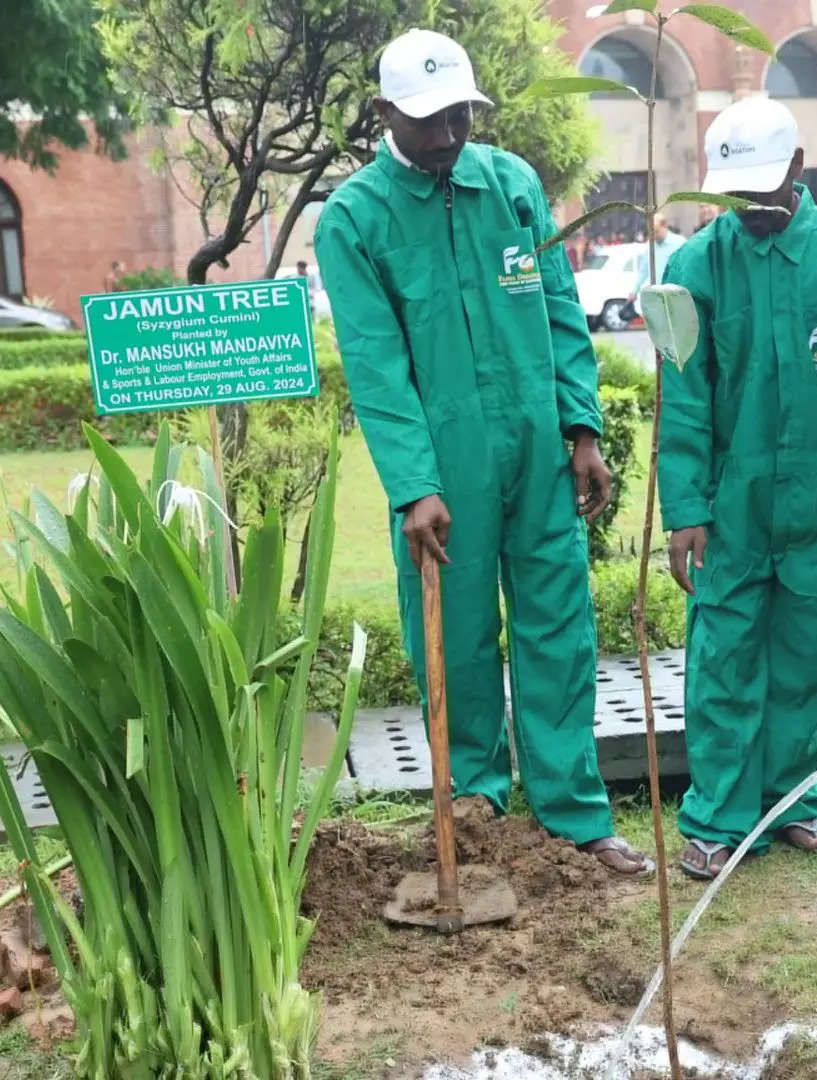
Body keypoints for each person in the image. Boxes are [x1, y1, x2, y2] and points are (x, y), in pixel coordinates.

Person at [314, 28, 652, 877]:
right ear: (385, 113)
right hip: (443, 458)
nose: (448, 134)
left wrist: (581, 427)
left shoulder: (511, 185)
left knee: (558, 625)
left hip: (537, 444)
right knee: (459, 634)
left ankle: (574, 813)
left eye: (461, 113)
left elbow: (561, 309)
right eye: (427, 119)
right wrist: (414, 484)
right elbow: (375, 361)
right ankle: (474, 800)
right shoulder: (356, 217)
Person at [659, 96, 817, 880]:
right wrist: (685, 509)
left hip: (811, 499)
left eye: (765, 189)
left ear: (799, 170)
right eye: (736, 195)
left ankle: (791, 802)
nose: (752, 209)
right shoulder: (691, 268)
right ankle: (720, 815)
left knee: (803, 653)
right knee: (724, 654)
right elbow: (683, 398)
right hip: (728, 508)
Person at [634, 212, 687, 300]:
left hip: (675, 296)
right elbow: (643, 271)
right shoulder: (649, 245)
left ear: (665, 226)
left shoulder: (680, 243)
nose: (653, 235)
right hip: (655, 297)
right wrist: (634, 290)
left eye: (656, 231)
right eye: (650, 232)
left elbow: (686, 270)